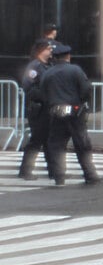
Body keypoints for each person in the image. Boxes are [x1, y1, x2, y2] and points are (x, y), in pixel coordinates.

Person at [40, 42, 102, 186]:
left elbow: (42, 93)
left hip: (56, 111)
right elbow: (86, 89)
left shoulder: (47, 73)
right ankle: (90, 174)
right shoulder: (75, 70)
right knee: (82, 143)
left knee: (56, 145)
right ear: (68, 56)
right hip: (75, 111)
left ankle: (59, 176)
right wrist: (83, 102)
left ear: (54, 57)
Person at [18, 39, 54, 180]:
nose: (51, 51)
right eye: (48, 48)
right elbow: (28, 87)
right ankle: (25, 170)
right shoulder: (34, 67)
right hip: (38, 110)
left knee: (49, 141)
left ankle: (54, 170)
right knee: (36, 141)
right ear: (41, 50)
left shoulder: (48, 65)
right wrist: (46, 96)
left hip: (48, 109)